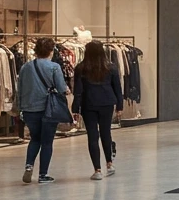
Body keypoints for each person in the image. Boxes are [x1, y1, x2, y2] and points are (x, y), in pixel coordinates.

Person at [72, 40, 122, 180]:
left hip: (89, 104)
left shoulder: (81, 68)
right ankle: (109, 164)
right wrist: (119, 106)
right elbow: (117, 88)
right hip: (107, 102)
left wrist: (76, 107)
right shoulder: (110, 67)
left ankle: (97, 170)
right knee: (106, 133)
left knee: (92, 136)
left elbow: (78, 91)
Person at [19, 37, 68, 184]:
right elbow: (60, 88)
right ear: (51, 51)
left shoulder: (25, 67)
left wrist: (20, 107)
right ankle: (43, 174)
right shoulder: (54, 67)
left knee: (35, 139)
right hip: (47, 109)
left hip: (29, 109)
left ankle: (29, 165)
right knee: (47, 142)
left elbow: (19, 89)